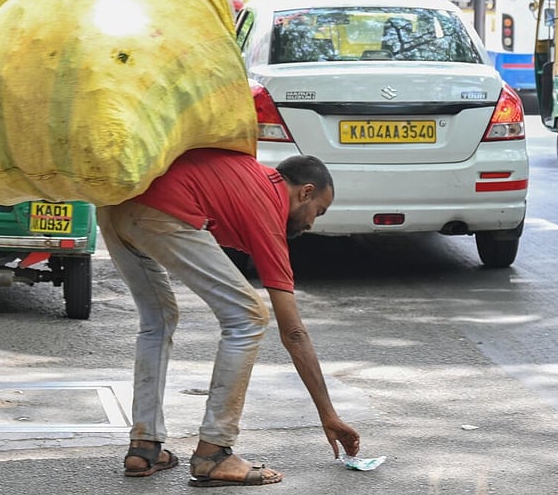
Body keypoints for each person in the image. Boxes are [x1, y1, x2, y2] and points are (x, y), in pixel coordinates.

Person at [97, 148, 361, 487]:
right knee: (248, 317)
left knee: (158, 319)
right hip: (162, 210)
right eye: (317, 211)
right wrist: (329, 414)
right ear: (305, 192)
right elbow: (293, 332)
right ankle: (214, 452)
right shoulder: (268, 204)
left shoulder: (249, 178)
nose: (311, 223)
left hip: (116, 206)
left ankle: (144, 446)